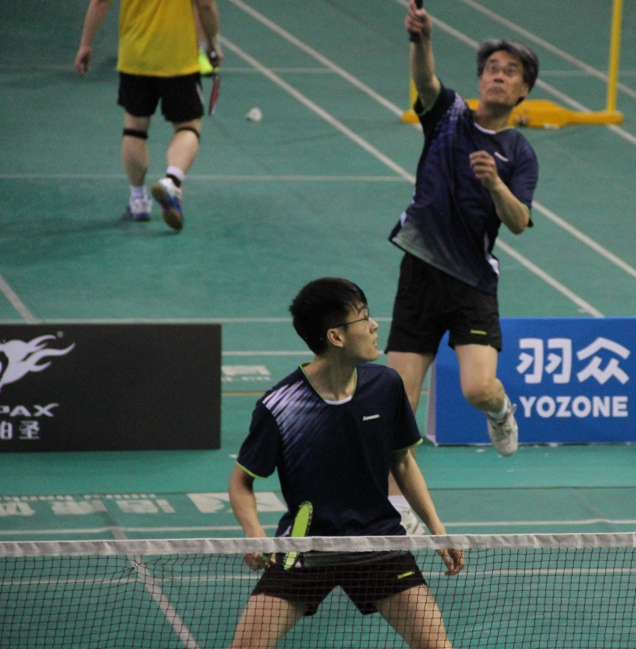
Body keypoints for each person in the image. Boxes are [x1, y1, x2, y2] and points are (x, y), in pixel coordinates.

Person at [227, 278, 464, 649]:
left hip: (378, 543)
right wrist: (253, 531)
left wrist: (437, 529)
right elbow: (242, 481)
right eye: (364, 318)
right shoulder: (281, 406)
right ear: (335, 336)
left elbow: (402, 463)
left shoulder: (385, 386)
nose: (375, 326)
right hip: (306, 547)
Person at [386, 2, 540, 466]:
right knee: (398, 407)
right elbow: (425, 80)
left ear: (523, 90)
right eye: (492, 68)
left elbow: (519, 221)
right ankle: (393, 503)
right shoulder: (448, 115)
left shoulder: (519, 153)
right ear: (480, 80)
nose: (498, 76)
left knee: (477, 388)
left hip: (472, 282)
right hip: (420, 270)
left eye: (509, 72)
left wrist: (495, 184)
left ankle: (501, 411)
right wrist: (422, 39)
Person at [74, 0, 222, 231]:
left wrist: (86, 44)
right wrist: (212, 44)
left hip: (135, 57)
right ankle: (172, 181)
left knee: (134, 128)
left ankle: (138, 201)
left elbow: (100, 2)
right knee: (188, 126)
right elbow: (205, 5)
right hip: (178, 58)